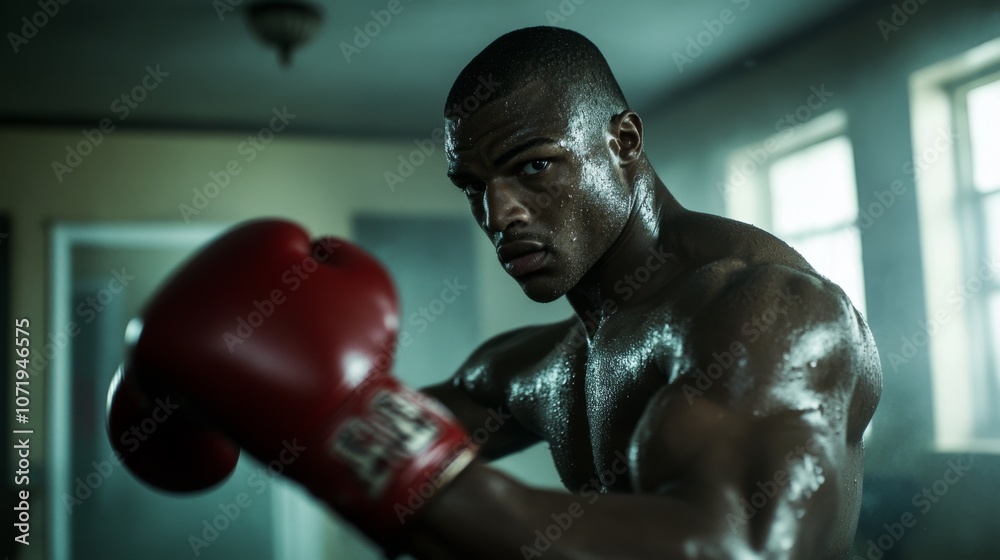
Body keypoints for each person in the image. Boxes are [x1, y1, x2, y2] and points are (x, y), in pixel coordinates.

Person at [107, 26, 881, 560]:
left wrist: (361, 436)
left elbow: (736, 546)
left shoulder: (771, 313)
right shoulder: (543, 366)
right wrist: (210, 393)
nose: (498, 213)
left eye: (533, 166)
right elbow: (337, 436)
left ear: (623, 143)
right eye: (473, 186)